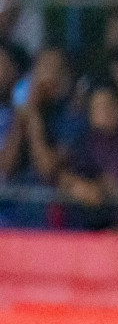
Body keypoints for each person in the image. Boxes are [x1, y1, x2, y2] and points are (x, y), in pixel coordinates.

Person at [0, 48, 85, 227]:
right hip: (19, 219)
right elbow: (6, 167)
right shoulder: (17, 113)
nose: (48, 76)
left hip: (57, 223)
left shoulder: (73, 119)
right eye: (43, 67)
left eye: (56, 69)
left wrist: (34, 117)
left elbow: (47, 168)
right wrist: (23, 117)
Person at [56, 85, 118, 228]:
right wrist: (77, 185)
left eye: (108, 105)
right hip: (89, 226)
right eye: (97, 107)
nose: (104, 112)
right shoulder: (85, 139)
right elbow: (65, 174)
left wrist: (95, 189)